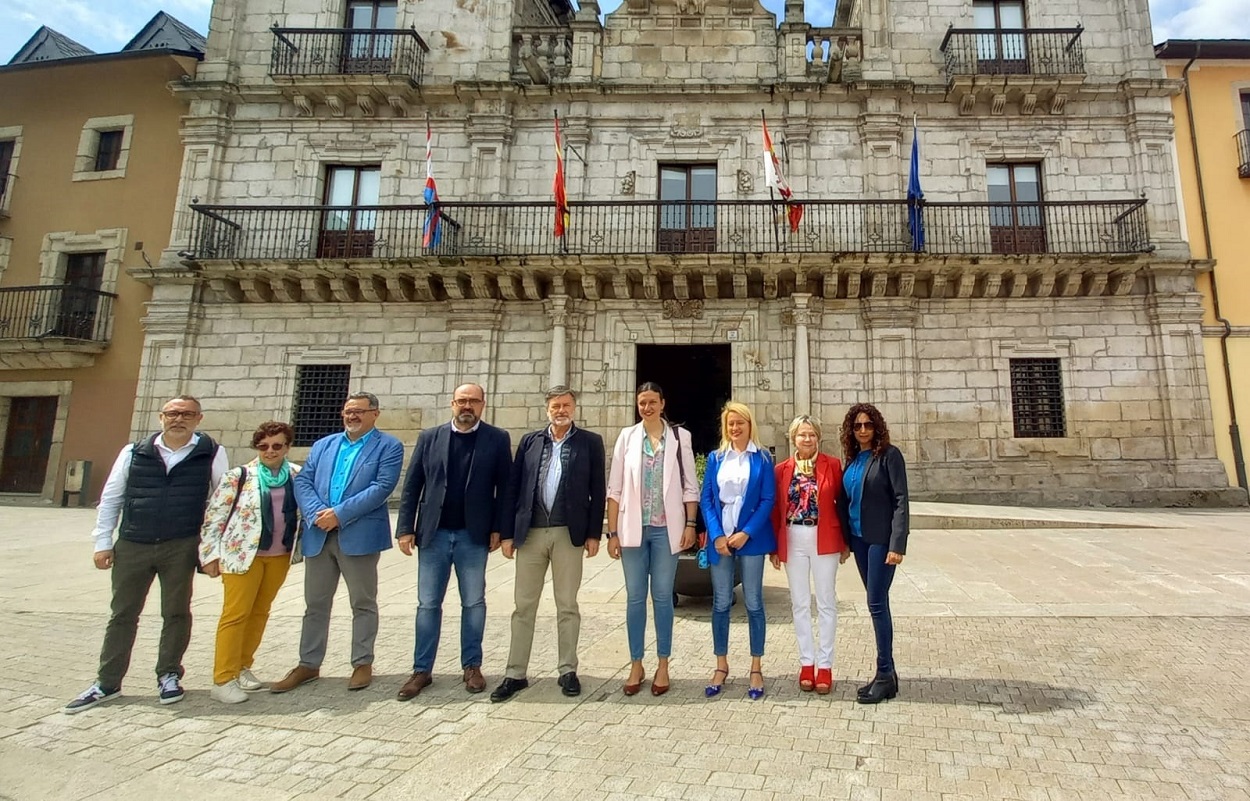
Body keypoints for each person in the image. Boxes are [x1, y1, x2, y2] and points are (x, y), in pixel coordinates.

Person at [65, 395, 229, 713]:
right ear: (160, 417)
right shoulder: (133, 452)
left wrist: (212, 551)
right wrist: (102, 542)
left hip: (180, 543)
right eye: (172, 413)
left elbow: (221, 504)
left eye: (186, 414)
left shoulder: (212, 453)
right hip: (133, 542)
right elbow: (111, 497)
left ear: (199, 418)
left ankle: (168, 675)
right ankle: (107, 682)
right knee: (123, 614)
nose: (178, 419)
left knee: (176, 613)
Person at [272, 392, 404, 694]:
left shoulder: (389, 446)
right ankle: (308, 663)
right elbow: (303, 480)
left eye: (359, 411)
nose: (352, 416)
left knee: (363, 602)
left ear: (375, 414)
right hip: (319, 533)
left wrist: (340, 515)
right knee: (315, 604)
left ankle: (362, 662)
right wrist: (317, 512)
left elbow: (382, 487)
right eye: (347, 411)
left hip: (358, 535)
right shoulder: (324, 445)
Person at [395, 383, 512, 700]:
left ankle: (472, 665)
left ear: (483, 405)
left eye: (473, 401)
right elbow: (412, 485)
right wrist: (405, 527)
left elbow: (506, 488)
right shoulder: (430, 437)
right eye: (462, 401)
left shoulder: (497, 439)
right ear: (452, 404)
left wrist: (500, 528)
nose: (467, 406)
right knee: (428, 604)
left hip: (472, 536)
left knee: (473, 603)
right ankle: (422, 670)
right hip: (433, 534)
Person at [490, 386, 606, 703]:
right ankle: (515, 673)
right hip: (531, 534)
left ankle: (567, 670)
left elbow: (599, 488)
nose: (561, 410)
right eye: (555, 405)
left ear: (574, 408)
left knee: (567, 604)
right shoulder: (530, 441)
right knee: (523, 605)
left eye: (566, 405)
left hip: (569, 534)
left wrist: (595, 533)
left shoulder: (590, 442)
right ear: (547, 409)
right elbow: (513, 487)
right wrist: (508, 533)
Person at [606, 382, 698, 697]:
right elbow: (614, 488)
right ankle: (636, 662)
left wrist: (689, 523)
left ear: (662, 403)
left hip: (665, 530)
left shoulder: (679, 437)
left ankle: (662, 663)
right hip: (633, 531)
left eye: (652, 402)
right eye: (642, 402)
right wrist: (613, 532)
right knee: (634, 598)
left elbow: (690, 485)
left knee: (662, 597)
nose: (646, 407)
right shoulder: (626, 438)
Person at [199, 421, 300, 704]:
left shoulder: (296, 475)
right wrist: (210, 555)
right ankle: (223, 678)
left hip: (279, 555)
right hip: (241, 555)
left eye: (277, 445)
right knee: (235, 614)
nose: (270, 451)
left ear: (287, 447)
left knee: (260, 612)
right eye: (264, 446)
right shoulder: (238, 476)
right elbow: (215, 517)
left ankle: (243, 666)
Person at [699, 401, 775, 700]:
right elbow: (707, 499)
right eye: (730, 423)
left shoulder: (763, 459)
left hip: (750, 539)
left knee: (754, 602)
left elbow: (768, 499)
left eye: (740, 423)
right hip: (721, 540)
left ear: (749, 425)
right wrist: (717, 535)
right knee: (720, 602)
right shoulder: (717, 458)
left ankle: (756, 667)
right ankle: (721, 665)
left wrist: (746, 533)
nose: (735, 428)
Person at [769, 415, 848, 695]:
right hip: (793, 537)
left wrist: (845, 543)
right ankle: (806, 662)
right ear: (793, 439)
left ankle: (825, 666)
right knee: (799, 603)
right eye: (802, 435)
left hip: (824, 536)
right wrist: (775, 548)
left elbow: (843, 504)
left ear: (818, 438)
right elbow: (775, 508)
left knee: (826, 602)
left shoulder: (832, 465)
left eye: (812, 434)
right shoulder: (781, 470)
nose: (807, 439)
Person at [836, 403, 909, 704]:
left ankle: (883, 675)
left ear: (877, 427)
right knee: (877, 602)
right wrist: (845, 540)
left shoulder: (889, 456)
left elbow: (902, 500)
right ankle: (887, 675)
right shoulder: (852, 460)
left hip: (881, 541)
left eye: (868, 425)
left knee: (876, 603)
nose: (863, 430)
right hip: (860, 541)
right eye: (857, 426)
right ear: (851, 432)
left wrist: (897, 544)